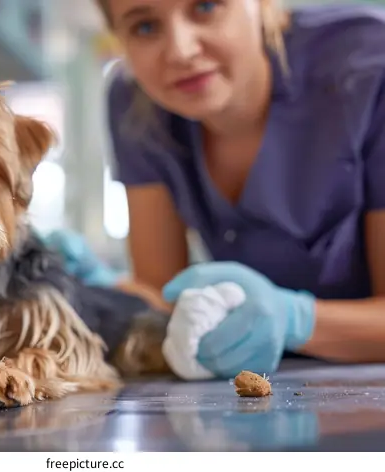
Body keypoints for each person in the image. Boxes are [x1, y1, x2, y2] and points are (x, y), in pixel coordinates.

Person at [45, 0, 385, 378]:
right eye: (144, 27)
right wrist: (101, 290)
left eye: (206, 6)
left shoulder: (370, 64)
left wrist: (296, 320)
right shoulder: (136, 104)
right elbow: (162, 301)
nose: (181, 51)